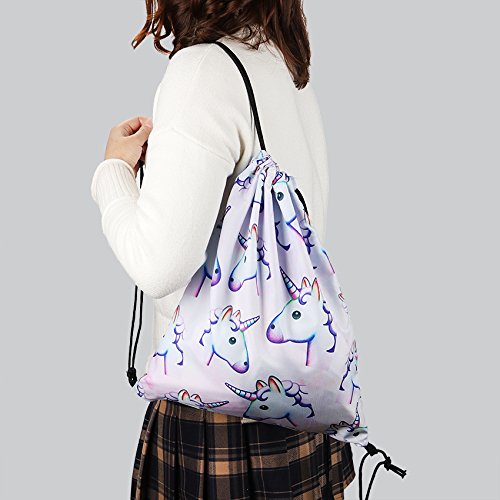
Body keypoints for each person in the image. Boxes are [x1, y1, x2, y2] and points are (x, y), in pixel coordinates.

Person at [90, 1, 356, 498]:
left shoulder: (204, 72)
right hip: (298, 406)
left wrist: (114, 173)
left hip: (219, 413)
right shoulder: (281, 60)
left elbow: (157, 265)